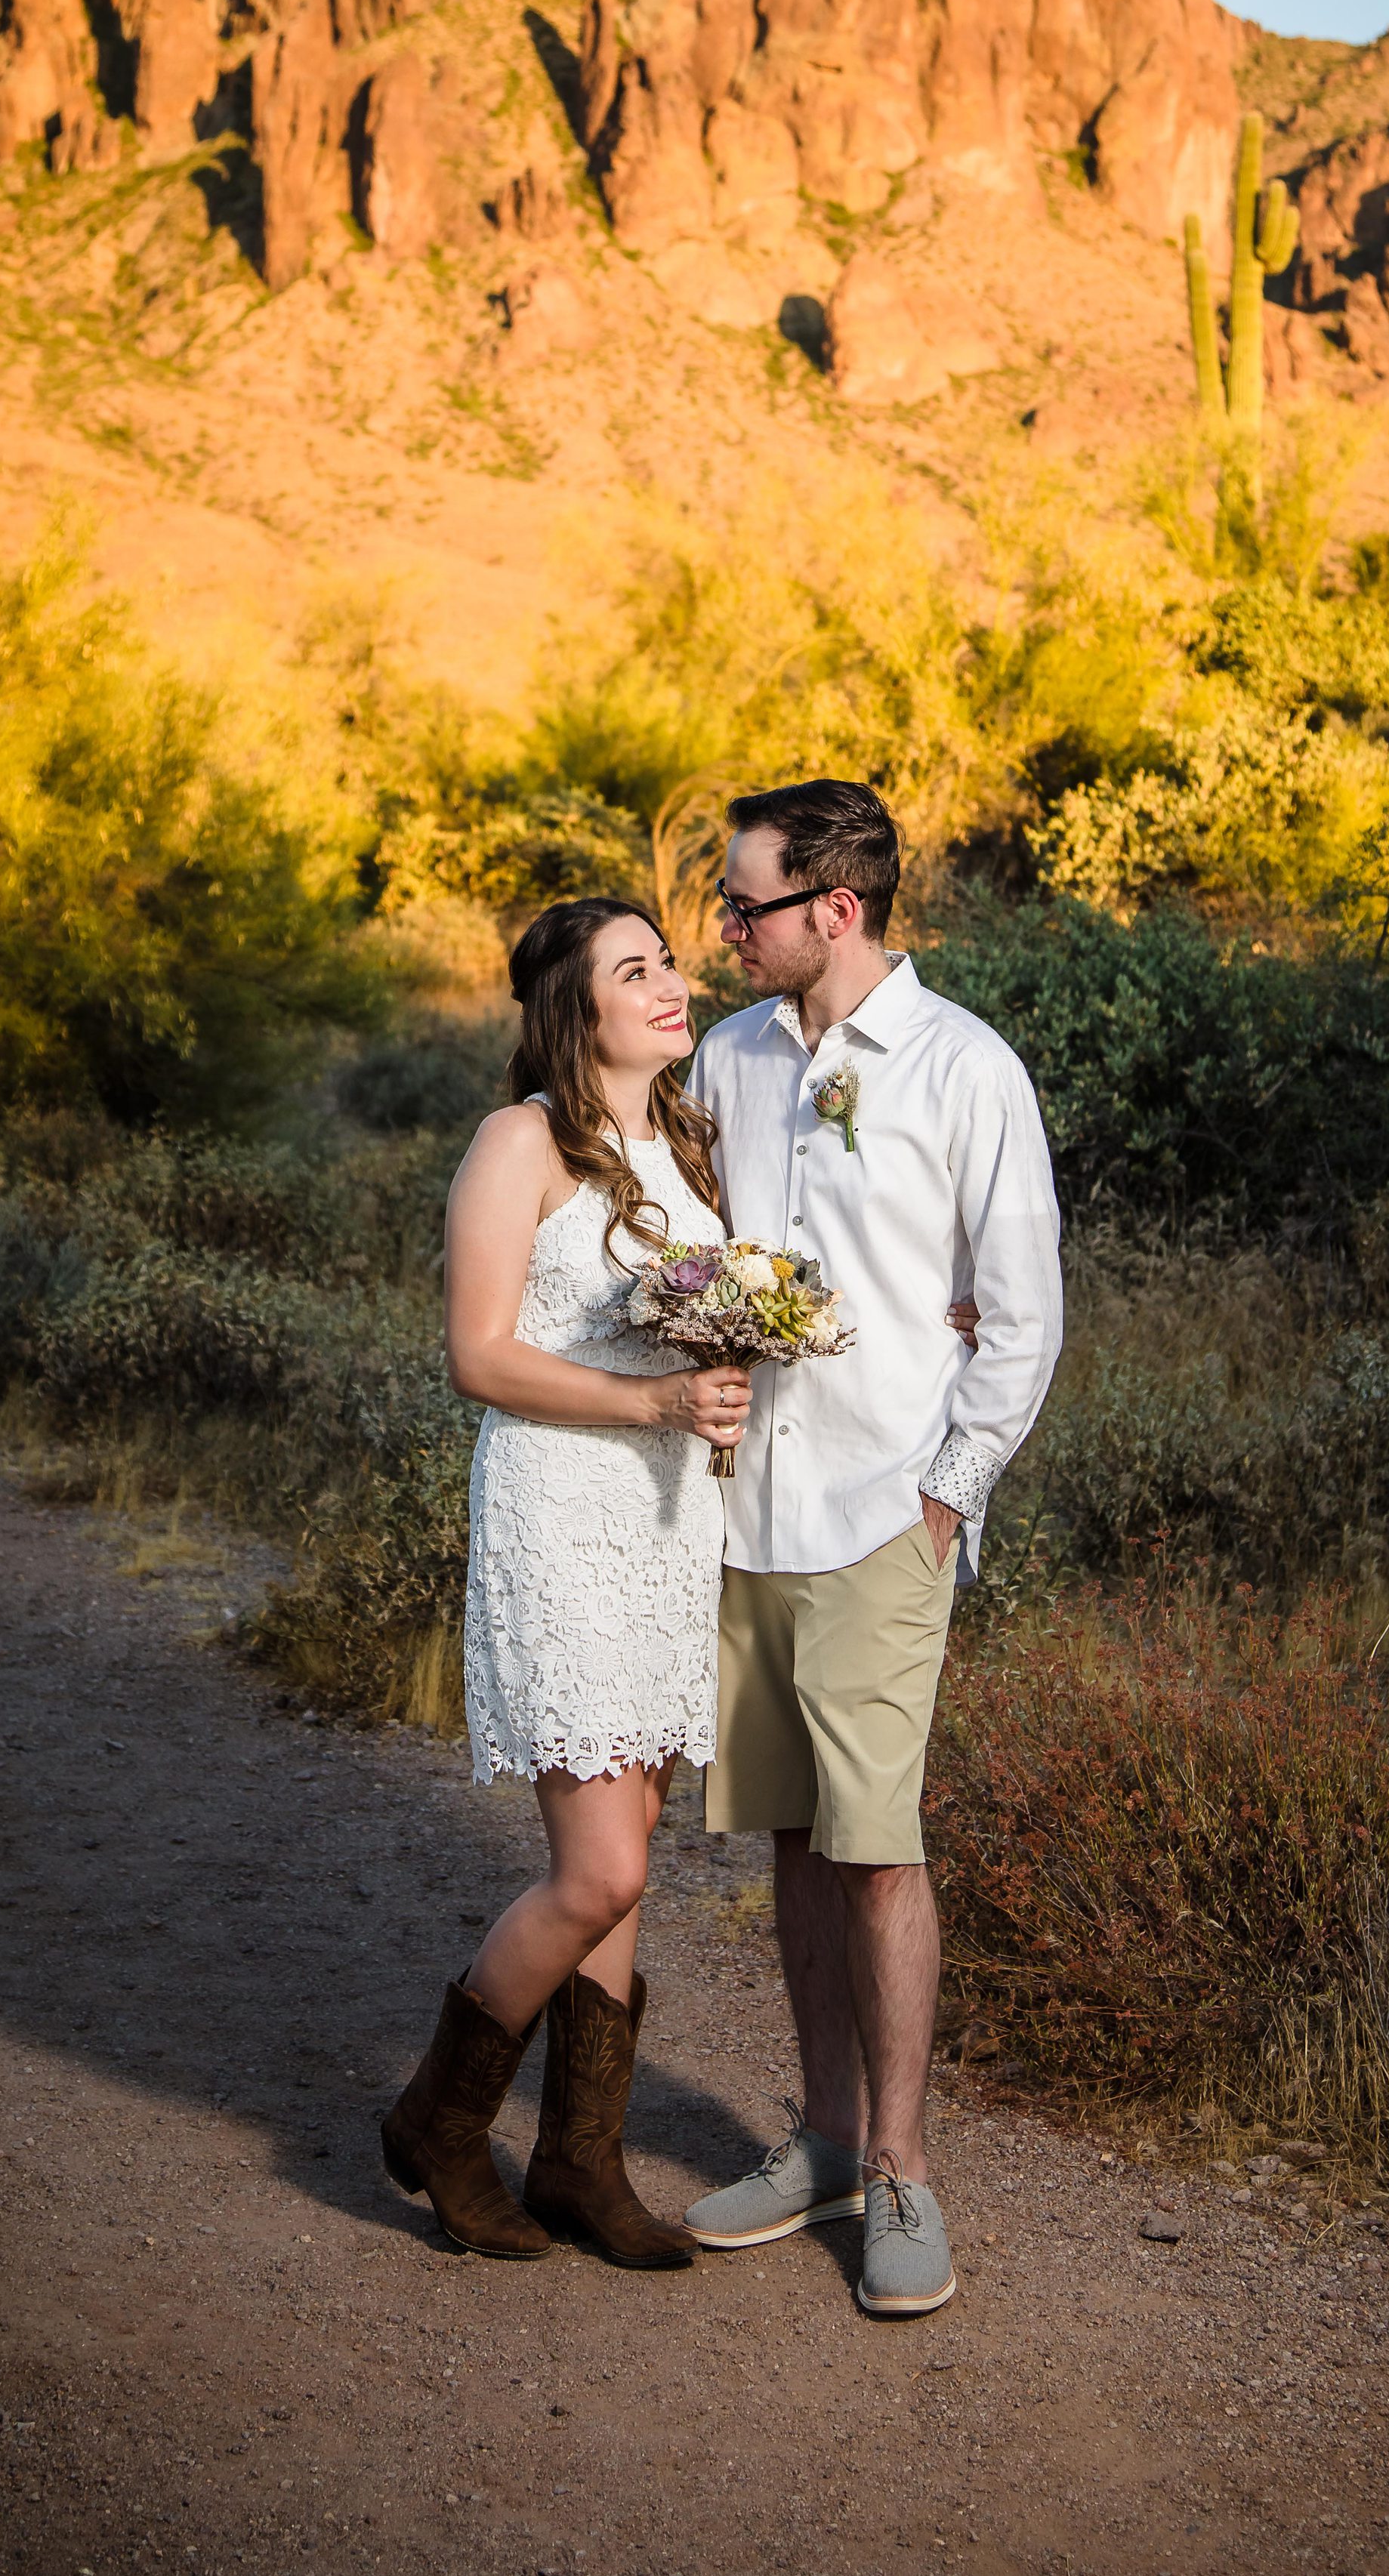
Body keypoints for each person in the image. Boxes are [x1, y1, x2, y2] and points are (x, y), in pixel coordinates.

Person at [684, 779, 1062, 2316]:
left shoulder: (965, 1070)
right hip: (745, 1515)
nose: (723, 928)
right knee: (790, 1840)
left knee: (878, 1845)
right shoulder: (729, 1056)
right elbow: (689, 1249)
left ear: (835, 911)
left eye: (746, 904)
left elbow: (1022, 1315)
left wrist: (945, 1500)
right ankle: (827, 2138)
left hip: (878, 1516)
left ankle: (904, 2169)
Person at [380, 899, 749, 2268]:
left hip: (667, 1528)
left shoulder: (687, 1144)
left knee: (632, 1862)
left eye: (670, 961)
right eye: (635, 969)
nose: (671, 983)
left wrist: (725, 1378)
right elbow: (478, 1355)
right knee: (597, 1871)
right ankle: (436, 2117)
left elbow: (706, 1319)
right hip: (561, 1512)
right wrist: (649, 1408)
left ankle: (581, 2165)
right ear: (571, 1010)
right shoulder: (519, 1141)